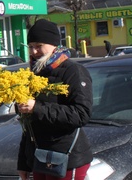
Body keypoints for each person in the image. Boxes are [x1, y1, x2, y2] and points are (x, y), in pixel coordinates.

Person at [17, 19, 93, 180]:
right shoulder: (35, 73)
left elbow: (81, 114)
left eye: (39, 46)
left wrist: (36, 107)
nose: (34, 51)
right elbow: (29, 125)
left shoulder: (73, 71)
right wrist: (23, 162)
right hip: (40, 157)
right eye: (31, 46)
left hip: (67, 158)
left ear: (54, 45)